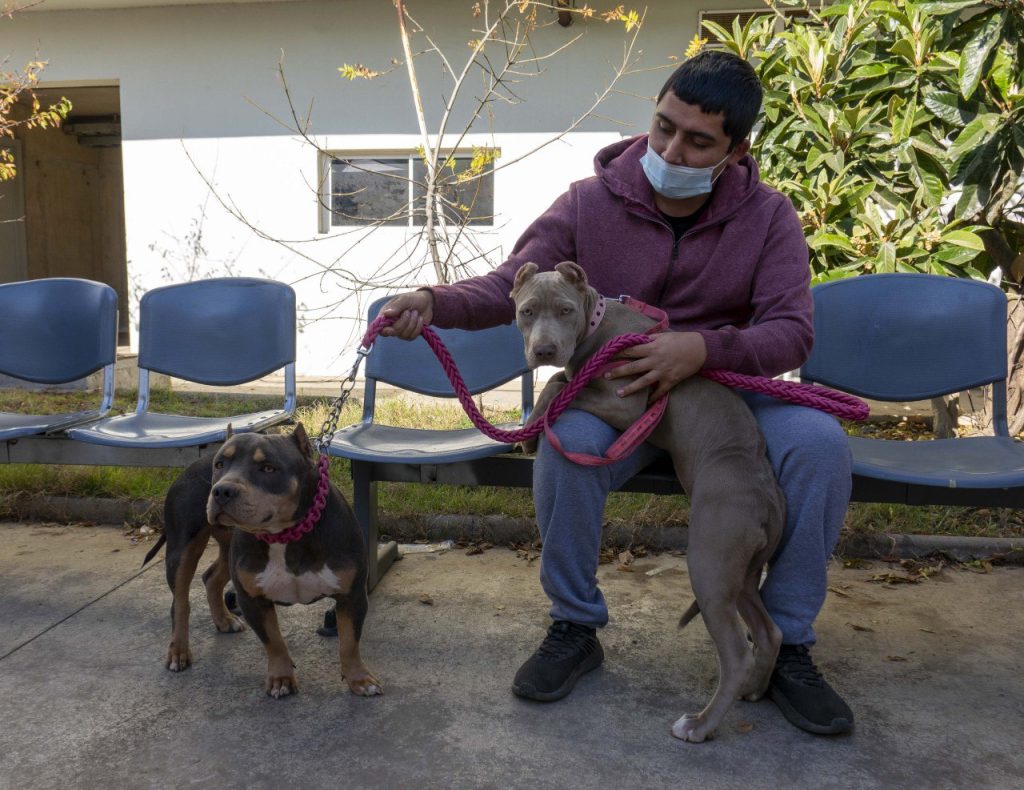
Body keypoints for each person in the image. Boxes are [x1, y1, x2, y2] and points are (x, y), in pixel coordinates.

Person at [379, 49, 854, 736]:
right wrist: (432, 299)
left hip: (726, 393)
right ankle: (575, 626)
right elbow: (514, 278)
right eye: (663, 126)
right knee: (566, 440)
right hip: (614, 392)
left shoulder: (769, 217)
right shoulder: (587, 201)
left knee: (819, 445)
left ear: (736, 149)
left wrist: (701, 347)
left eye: (697, 141)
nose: (670, 147)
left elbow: (791, 332)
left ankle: (787, 644)